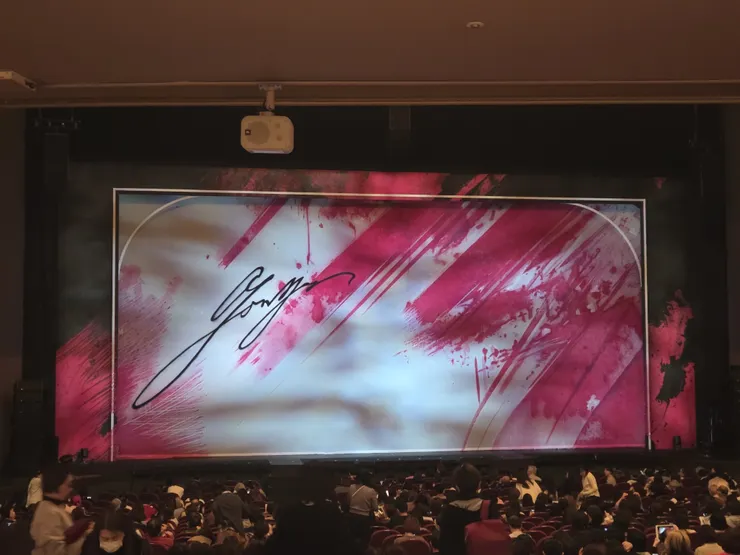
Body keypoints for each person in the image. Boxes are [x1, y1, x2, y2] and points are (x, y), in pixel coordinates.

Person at [437, 463, 502, 555]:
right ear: (479, 485)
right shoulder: (490, 507)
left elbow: (445, 547)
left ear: (456, 487)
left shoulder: (448, 511)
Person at [30, 466, 91, 555]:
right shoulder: (49, 513)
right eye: (68, 485)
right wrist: (83, 536)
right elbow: (58, 552)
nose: (71, 489)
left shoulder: (52, 508)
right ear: (56, 486)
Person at [82, 510, 150, 555]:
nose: (110, 542)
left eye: (115, 538)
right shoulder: (89, 546)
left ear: (124, 534)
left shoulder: (138, 547)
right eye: (105, 539)